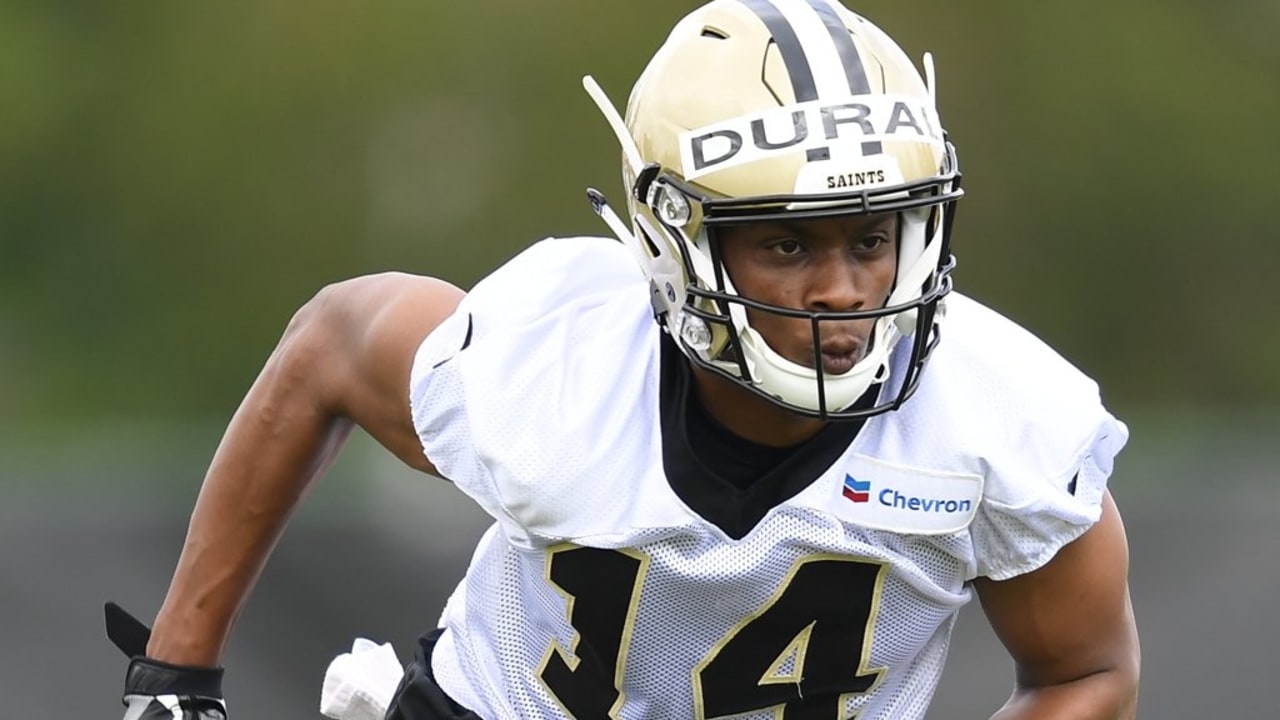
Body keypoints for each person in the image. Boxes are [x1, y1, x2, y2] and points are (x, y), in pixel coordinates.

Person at [105, 0, 1141, 718]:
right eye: (786, 242)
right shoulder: (552, 366)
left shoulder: (998, 420)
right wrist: (176, 670)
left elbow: (1083, 673)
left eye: (870, 239)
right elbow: (331, 341)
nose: (841, 290)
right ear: (671, 242)